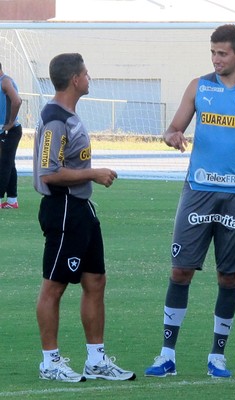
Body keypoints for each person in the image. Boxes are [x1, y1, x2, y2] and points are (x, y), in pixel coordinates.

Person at [145, 24, 235, 378]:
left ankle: (217, 356)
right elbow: (173, 128)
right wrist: (172, 136)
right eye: (213, 53)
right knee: (180, 270)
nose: (216, 59)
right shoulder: (198, 86)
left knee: (228, 276)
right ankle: (166, 354)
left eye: (222, 53)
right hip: (198, 191)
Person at [33, 53, 135, 383]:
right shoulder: (54, 118)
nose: (89, 78)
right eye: (86, 74)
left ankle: (96, 360)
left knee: (95, 281)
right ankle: (50, 362)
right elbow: (48, 173)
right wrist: (94, 174)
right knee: (54, 286)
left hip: (81, 209)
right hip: (63, 210)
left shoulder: (70, 115)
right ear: (75, 79)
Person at [0, 62, 23, 209]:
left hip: (10, 130)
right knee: (9, 163)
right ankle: (12, 200)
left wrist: (10, 122)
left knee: (3, 164)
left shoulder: (5, 81)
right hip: (5, 130)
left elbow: (17, 101)